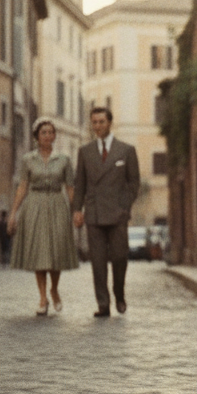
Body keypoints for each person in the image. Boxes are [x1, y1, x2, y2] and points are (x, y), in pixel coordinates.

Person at [72, 107, 139, 317]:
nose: (98, 126)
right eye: (94, 122)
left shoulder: (126, 150)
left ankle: (119, 294)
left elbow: (133, 182)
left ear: (110, 123)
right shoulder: (85, 151)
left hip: (117, 214)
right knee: (98, 262)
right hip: (95, 214)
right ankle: (103, 303)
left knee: (120, 257)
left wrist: (124, 206)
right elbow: (79, 183)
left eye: (101, 121)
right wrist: (77, 209)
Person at [9, 121, 79, 315]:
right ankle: (42, 298)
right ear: (37, 137)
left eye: (50, 132)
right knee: (40, 252)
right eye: (43, 132)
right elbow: (23, 186)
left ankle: (54, 289)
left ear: (55, 136)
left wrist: (76, 211)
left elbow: (70, 188)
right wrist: (14, 213)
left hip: (58, 204)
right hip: (35, 205)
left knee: (55, 252)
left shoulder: (64, 160)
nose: (47, 136)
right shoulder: (27, 160)